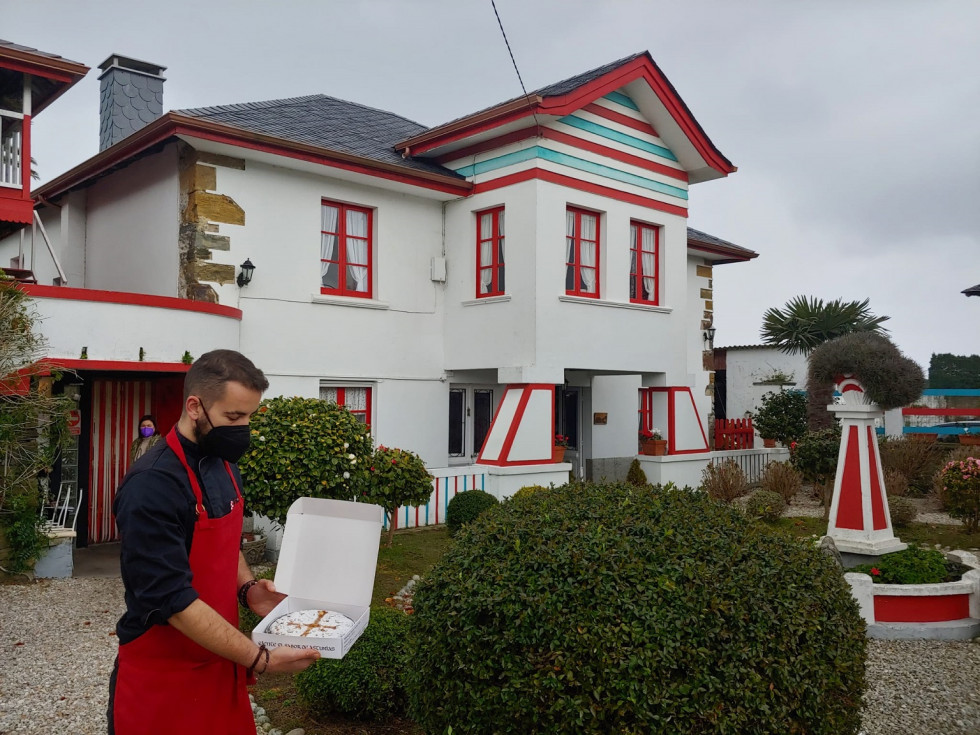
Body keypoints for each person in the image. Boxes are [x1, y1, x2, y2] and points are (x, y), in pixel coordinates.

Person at [109, 349, 319, 734]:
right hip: (163, 681)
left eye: (250, 416)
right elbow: (173, 602)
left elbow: (226, 541)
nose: (244, 428)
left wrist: (248, 588)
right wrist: (262, 659)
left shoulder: (224, 463)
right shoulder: (151, 486)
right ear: (195, 406)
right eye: (234, 417)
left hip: (221, 665)